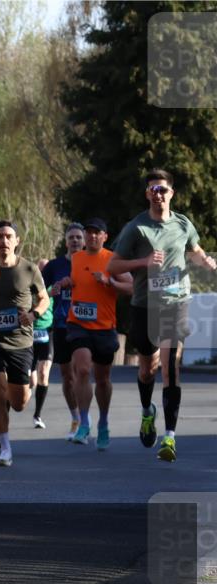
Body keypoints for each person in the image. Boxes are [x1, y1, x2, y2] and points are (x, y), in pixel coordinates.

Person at [107, 169, 216, 462]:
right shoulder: (137, 227)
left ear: (171, 194)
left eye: (163, 190)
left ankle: (169, 437)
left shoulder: (183, 224)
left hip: (175, 302)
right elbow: (113, 268)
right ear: (147, 194)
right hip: (144, 305)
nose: (159, 194)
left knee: (170, 366)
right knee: (147, 369)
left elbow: (194, 250)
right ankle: (147, 412)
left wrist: (206, 261)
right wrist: (143, 262)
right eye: (153, 189)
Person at [0, 221, 50, 467]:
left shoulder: (28, 268)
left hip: (21, 342)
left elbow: (44, 298)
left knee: (18, 402)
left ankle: (6, 408)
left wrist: (34, 314)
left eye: (8, 237)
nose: (4, 241)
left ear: (17, 241)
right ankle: (5, 448)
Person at [56, 218, 133, 450]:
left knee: (102, 379)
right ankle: (84, 421)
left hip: (104, 327)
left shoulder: (112, 259)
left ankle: (103, 422)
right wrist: (67, 282)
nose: (91, 237)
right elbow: (72, 280)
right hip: (78, 324)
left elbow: (130, 288)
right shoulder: (76, 258)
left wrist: (109, 282)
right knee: (82, 369)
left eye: (96, 233)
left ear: (104, 237)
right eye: (88, 233)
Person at [42, 223, 86, 440]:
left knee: (82, 373)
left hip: (85, 325)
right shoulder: (54, 266)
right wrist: (52, 290)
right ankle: (76, 417)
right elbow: (39, 290)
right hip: (62, 324)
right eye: (72, 237)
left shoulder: (91, 262)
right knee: (67, 376)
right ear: (66, 241)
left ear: (84, 240)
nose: (75, 241)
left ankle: (84, 421)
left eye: (79, 237)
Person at [30, 261, 54, 429]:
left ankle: (37, 415)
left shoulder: (53, 286)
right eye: (41, 268)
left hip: (47, 331)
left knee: (44, 374)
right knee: (31, 381)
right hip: (29, 333)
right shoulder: (29, 285)